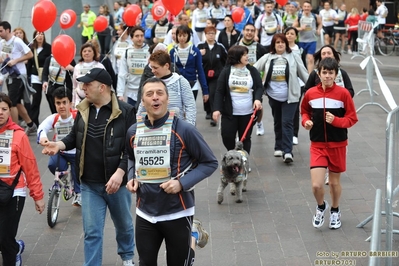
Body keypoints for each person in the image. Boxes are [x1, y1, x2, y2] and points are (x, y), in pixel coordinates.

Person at [41, 68, 135, 266]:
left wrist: (120, 172)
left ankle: (127, 258)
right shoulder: (83, 109)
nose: (82, 88)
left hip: (116, 184)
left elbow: (132, 149)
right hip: (90, 184)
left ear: (102, 88)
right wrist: (58, 145)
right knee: (92, 232)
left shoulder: (126, 111)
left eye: (87, 84)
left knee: (124, 226)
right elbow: (74, 136)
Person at [126, 77, 218, 265]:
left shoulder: (185, 130)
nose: (155, 98)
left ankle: (192, 236)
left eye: (160, 93)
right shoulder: (133, 131)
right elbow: (130, 158)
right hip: (145, 212)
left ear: (168, 98)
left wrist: (181, 184)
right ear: (142, 101)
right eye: (149, 94)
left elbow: (210, 162)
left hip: (177, 212)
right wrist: (131, 177)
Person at [301, 57, 358, 229]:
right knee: (317, 184)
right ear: (319, 74)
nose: (327, 76)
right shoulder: (310, 93)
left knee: (333, 183)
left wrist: (337, 121)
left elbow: (352, 118)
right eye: (324, 72)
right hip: (317, 145)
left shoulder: (343, 94)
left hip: (337, 144)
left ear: (335, 74)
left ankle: (335, 210)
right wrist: (306, 122)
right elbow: (304, 111)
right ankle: (321, 206)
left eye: (330, 73)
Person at [0, 92, 45, 266]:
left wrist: (38, 196)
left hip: (14, 191)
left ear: (10, 111)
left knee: (5, 236)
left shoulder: (19, 135)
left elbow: (31, 168)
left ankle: (11, 254)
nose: (1, 113)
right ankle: (15, 247)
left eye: (4, 109)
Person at [254, 34, 308, 163]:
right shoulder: (267, 57)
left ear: (286, 44)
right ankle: (278, 146)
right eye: (277, 42)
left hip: (291, 96)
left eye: (282, 42)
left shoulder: (294, 56)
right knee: (278, 121)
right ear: (274, 44)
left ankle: (287, 151)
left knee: (287, 122)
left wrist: (314, 88)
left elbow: (304, 73)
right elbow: (254, 70)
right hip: (273, 96)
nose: (280, 44)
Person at [213, 45, 263, 157]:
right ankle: (233, 156)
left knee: (245, 138)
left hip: (247, 112)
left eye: (247, 54)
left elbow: (259, 87)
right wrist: (217, 109)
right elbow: (219, 91)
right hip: (230, 112)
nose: (247, 57)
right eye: (244, 55)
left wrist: (257, 99)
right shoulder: (226, 71)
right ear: (236, 57)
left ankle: (244, 160)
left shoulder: (252, 70)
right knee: (227, 136)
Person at [37, 87, 81, 206]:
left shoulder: (78, 117)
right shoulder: (54, 118)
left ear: (70, 103)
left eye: (64, 102)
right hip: (60, 152)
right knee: (52, 165)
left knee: (78, 175)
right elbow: (42, 128)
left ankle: (78, 192)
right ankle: (65, 179)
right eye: (58, 103)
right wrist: (43, 138)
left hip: (77, 153)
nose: (61, 106)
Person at [137, 50, 196, 125]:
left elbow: (190, 107)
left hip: (176, 128)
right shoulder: (150, 83)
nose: (152, 71)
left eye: (155, 68)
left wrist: (189, 128)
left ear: (166, 66)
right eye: (151, 67)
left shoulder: (181, 82)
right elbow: (142, 106)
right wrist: (138, 126)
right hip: (155, 128)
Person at [0, 21, 37, 135]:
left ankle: (14, 130)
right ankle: (31, 125)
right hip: (9, 75)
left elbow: (30, 54)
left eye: (1, 31)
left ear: (8, 30)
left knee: (12, 102)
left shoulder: (17, 41)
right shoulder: (2, 43)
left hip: (19, 75)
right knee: (17, 102)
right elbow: (2, 58)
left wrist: (15, 60)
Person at [237, 23, 267, 135]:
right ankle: (241, 129)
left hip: (256, 80)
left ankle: (259, 122)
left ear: (255, 33)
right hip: (240, 79)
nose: (249, 33)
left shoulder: (260, 47)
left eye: (252, 31)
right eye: (247, 30)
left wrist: (263, 78)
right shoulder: (237, 45)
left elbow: (267, 62)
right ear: (243, 31)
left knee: (258, 104)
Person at [197, 26, 227, 126]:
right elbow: (195, 59)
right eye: (208, 33)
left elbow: (226, 60)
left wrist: (223, 71)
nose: (211, 35)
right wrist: (199, 54)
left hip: (216, 75)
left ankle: (214, 114)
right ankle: (208, 110)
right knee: (206, 93)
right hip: (204, 74)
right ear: (205, 35)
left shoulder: (220, 47)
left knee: (213, 93)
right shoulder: (200, 46)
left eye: (212, 33)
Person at [170, 25, 209, 101]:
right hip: (177, 85)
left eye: (184, 35)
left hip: (192, 84)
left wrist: (205, 91)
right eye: (180, 35)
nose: (182, 38)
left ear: (188, 36)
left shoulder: (195, 51)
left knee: (190, 110)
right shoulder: (173, 51)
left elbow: (200, 70)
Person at [284, 26, 307, 145]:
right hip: (283, 83)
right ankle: (284, 133)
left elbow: (303, 68)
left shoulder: (300, 50)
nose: (289, 35)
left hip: (298, 83)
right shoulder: (281, 49)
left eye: (292, 33)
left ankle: (294, 134)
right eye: (287, 33)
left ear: (296, 36)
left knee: (295, 108)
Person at [117, 26, 149, 107]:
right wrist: (120, 93)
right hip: (131, 92)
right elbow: (122, 73)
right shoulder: (127, 52)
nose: (140, 38)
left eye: (142, 36)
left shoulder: (149, 51)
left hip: (146, 91)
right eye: (137, 36)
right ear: (131, 38)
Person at [27, 31, 52, 128]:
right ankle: (34, 123)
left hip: (47, 77)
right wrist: (27, 76)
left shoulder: (48, 48)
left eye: (42, 34)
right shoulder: (32, 48)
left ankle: (56, 120)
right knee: (36, 100)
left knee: (50, 99)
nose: (40, 36)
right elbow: (29, 63)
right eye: (38, 34)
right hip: (35, 77)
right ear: (34, 37)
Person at [72, 42, 106, 107]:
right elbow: (74, 86)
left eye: (89, 51)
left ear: (94, 53)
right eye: (84, 51)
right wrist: (73, 101)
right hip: (79, 101)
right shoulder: (77, 67)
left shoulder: (100, 66)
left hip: (96, 102)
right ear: (81, 53)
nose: (87, 53)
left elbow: (105, 85)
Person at [292, 1, 322, 73]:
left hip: (312, 40)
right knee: (301, 59)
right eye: (305, 7)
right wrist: (301, 28)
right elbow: (293, 27)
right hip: (301, 41)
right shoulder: (299, 17)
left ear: (311, 8)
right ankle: (301, 74)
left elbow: (320, 23)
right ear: (302, 8)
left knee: (310, 58)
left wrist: (318, 29)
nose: (306, 8)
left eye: (308, 7)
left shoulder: (315, 16)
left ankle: (309, 76)